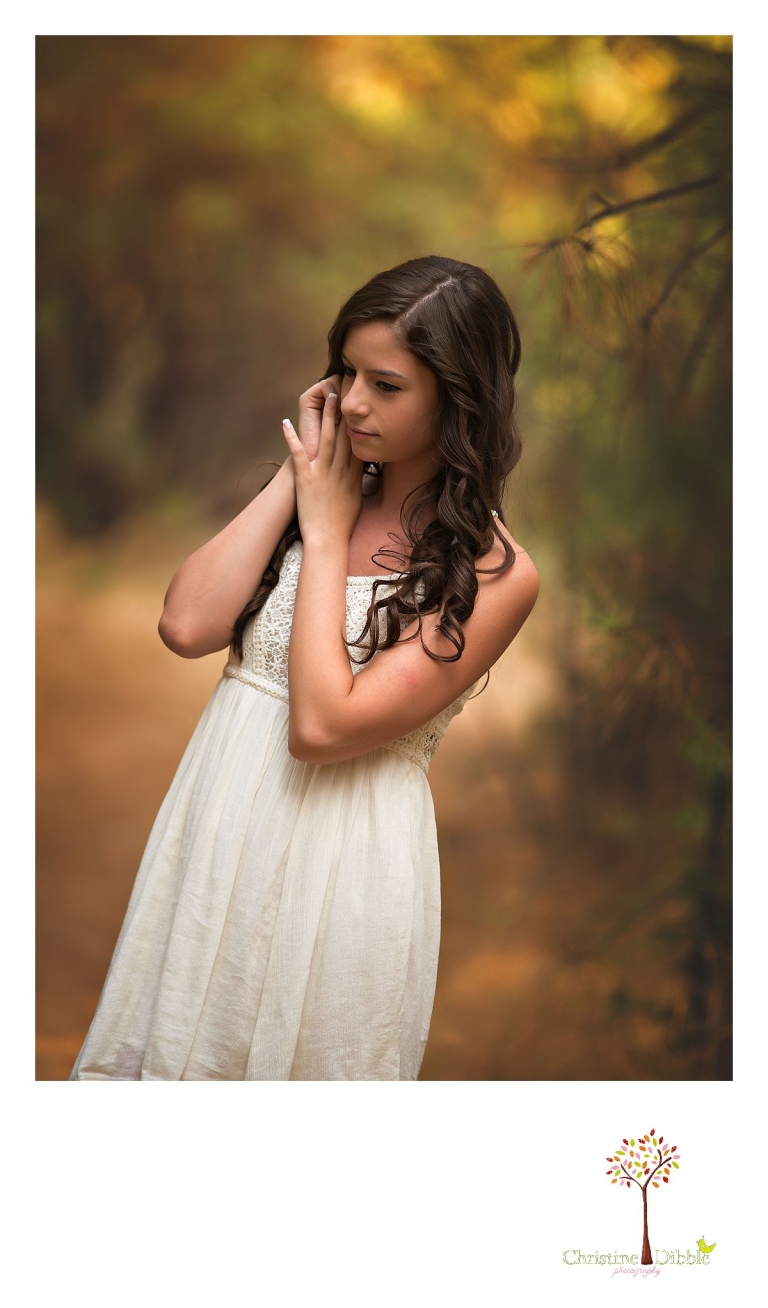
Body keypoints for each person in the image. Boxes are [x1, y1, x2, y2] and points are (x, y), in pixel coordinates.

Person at [69, 255, 540, 1081]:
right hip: (219, 828)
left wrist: (325, 534)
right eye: (345, 373)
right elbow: (185, 624)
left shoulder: (494, 571)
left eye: (386, 386)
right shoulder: (318, 488)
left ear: (458, 397)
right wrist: (303, 484)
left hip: (343, 864)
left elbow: (323, 727)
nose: (354, 401)